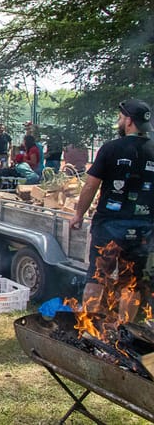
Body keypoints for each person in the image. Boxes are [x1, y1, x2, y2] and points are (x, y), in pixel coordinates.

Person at [69, 99, 154, 321]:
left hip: (108, 228)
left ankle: (89, 328)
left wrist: (78, 213)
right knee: (131, 281)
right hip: (143, 230)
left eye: (121, 116)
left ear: (128, 121)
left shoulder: (111, 148)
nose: (119, 120)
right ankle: (124, 329)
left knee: (97, 276)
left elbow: (90, 186)